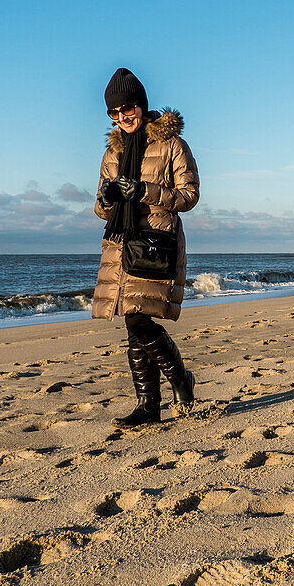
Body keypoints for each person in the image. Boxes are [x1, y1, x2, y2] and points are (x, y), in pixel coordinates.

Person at [92, 68, 200, 426]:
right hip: (122, 247)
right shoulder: (113, 152)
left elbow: (189, 196)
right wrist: (108, 198)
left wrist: (143, 192)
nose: (123, 117)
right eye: (114, 112)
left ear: (141, 105)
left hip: (156, 244)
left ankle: (181, 379)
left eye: (128, 109)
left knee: (139, 321)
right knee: (132, 323)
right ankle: (148, 407)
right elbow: (98, 207)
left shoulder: (171, 145)